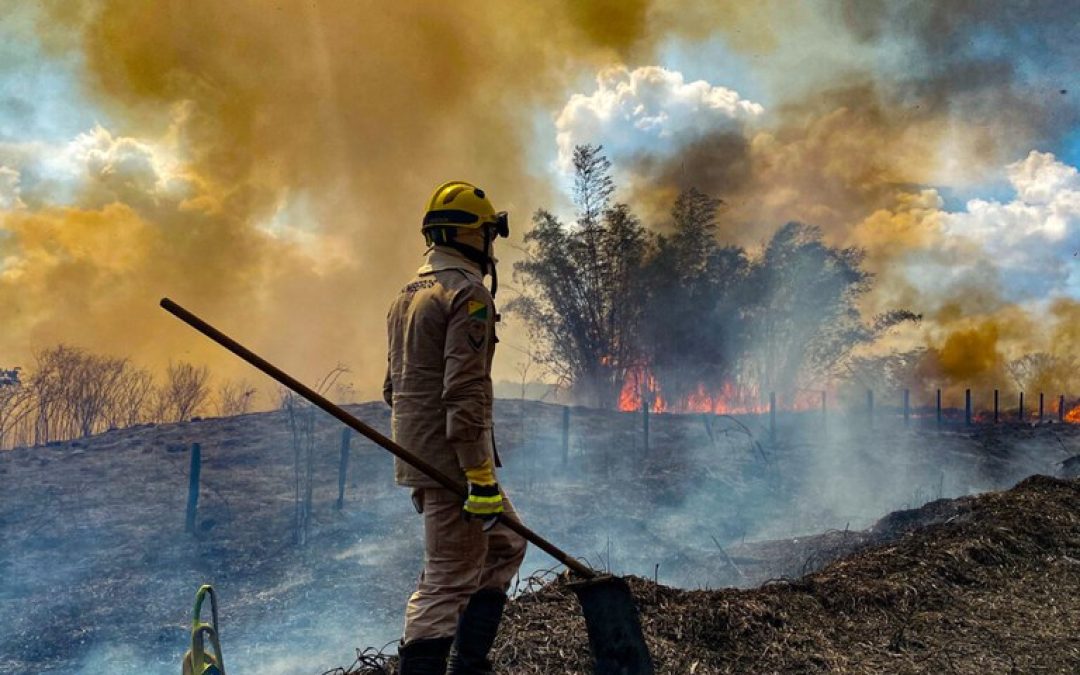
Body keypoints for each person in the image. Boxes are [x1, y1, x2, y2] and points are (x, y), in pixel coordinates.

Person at [383, 181, 526, 675]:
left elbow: (392, 387)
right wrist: (478, 474)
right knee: (446, 579)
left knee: (506, 544)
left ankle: (470, 665)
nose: (491, 245)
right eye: (488, 233)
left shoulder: (407, 295)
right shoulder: (468, 295)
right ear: (471, 235)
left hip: (426, 454)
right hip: (455, 461)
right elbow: (465, 391)